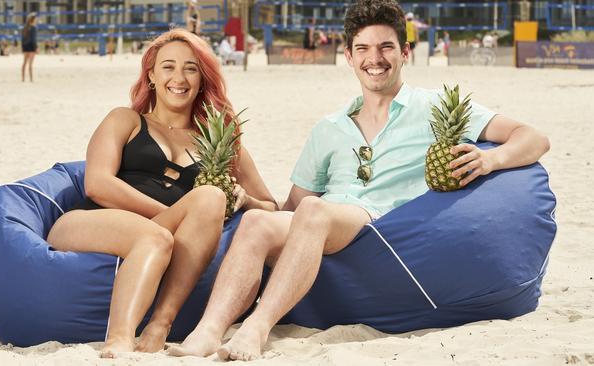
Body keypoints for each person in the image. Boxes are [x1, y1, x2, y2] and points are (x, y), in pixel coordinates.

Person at [168, 0, 550, 361]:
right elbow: (291, 210)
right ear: (349, 57)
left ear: (405, 52)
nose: (375, 59)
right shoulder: (329, 129)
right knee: (257, 222)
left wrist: (489, 159)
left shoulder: (432, 105)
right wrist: (251, 205)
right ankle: (208, 330)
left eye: (386, 47)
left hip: (382, 227)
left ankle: (257, 326)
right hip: (325, 224)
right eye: (363, 48)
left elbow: (534, 137)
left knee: (316, 210)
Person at [46, 28, 277, 358]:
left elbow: (270, 206)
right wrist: (167, 218)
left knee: (209, 198)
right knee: (157, 238)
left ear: (202, 79)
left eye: (191, 68)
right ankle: (119, 340)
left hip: (161, 234)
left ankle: (159, 326)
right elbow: (97, 183)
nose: (179, 77)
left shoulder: (220, 141)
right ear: (151, 75)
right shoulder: (124, 120)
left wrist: (245, 199)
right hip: (91, 222)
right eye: (168, 67)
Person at [21, 13, 38, 82]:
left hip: (25, 46)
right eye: (35, 19)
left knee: (24, 63)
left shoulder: (24, 27)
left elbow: (22, 39)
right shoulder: (34, 27)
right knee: (30, 64)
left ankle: (23, 79)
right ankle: (31, 79)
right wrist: (36, 47)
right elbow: (34, 39)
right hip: (31, 46)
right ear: (33, 20)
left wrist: (22, 47)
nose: (36, 20)